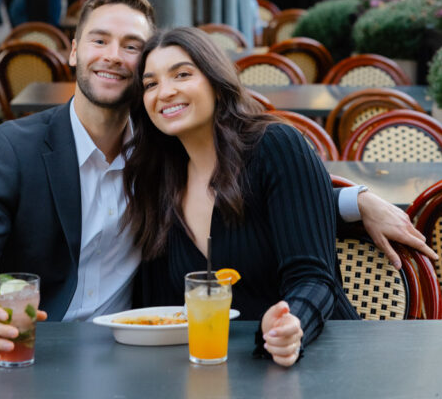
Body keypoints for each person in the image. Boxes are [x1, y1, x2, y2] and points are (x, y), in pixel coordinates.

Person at [0, 0, 435, 365]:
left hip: (190, 360)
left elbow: (268, 196)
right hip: (59, 355)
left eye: (132, 47)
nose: (114, 56)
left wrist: (353, 200)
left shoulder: (161, 154)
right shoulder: (21, 149)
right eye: (99, 39)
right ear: (74, 50)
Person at [125, 27, 357, 365]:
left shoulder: (276, 147)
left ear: (216, 82)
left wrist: (288, 325)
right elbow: (164, 307)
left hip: (319, 359)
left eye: (182, 75)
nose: (165, 92)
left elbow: (314, 278)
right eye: (150, 84)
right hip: (219, 368)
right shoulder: (157, 183)